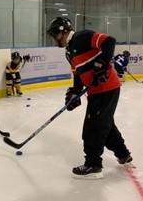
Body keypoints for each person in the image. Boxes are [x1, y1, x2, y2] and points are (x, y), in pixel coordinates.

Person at [46, 17, 133, 179]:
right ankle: (123, 154)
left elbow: (109, 41)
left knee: (93, 127)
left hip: (106, 88)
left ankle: (93, 165)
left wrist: (102, 63)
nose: (54, 39)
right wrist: (75, 93)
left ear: (63, 31)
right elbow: (78, 75)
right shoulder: (69, 51)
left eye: (54, 35)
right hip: (95, 92)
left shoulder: (82, 37)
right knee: (105, 125)